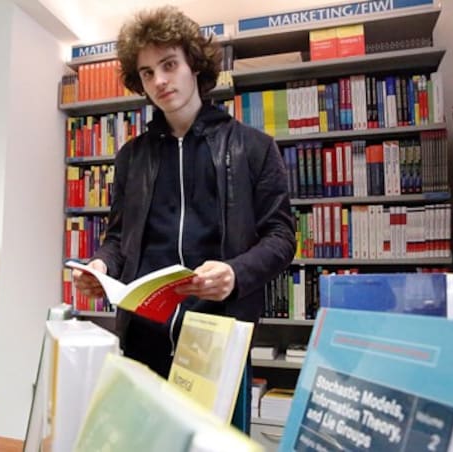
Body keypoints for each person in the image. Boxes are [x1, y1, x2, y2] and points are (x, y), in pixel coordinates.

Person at [72, 3, 295, 415]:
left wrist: (236, 273)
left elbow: (282, 238)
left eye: (169, 64)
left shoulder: (254, 148)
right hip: (142, 337)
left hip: (218, 336)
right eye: (146, 72)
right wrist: (101, 267)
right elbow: (119, 238)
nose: (159, 80)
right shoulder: (130, 157)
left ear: (194, 65)